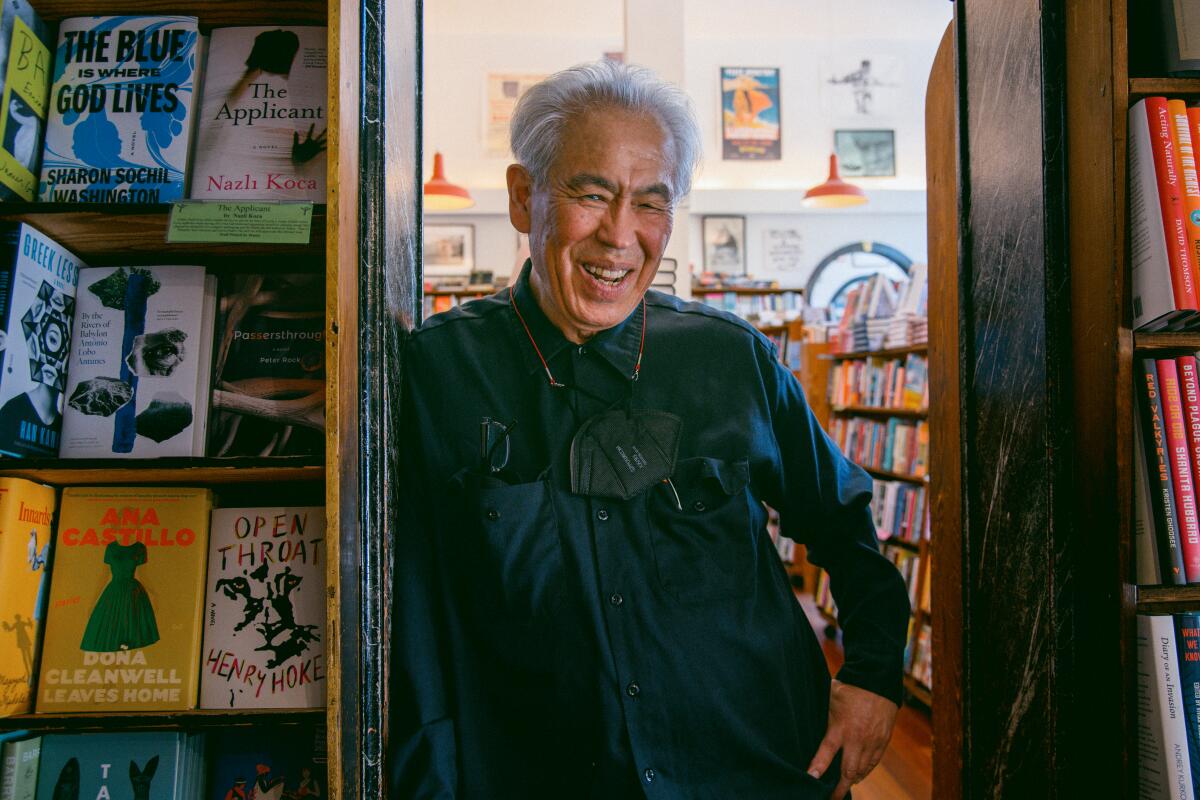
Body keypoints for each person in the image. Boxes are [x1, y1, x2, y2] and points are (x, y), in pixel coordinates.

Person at [390, 59, 910, 799]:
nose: (620, 236)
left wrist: (873, 676)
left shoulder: (730, 358)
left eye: (650, 204)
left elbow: (843, 524)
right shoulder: (437, 374)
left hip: (761, 767)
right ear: (521, 196)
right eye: (591, 194)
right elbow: (416, 610)